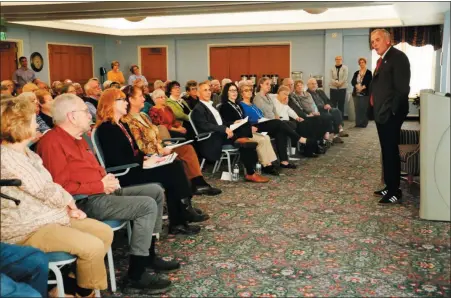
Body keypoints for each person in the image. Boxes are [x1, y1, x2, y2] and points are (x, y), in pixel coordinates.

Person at [36, 93, 177, 291]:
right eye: (85, 112)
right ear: (71, 116)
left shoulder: (79, 138)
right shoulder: (52, 143)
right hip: (84, 201)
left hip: (101, 191)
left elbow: (94, 168)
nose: (89, 115)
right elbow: (60, 188)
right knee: (145, 205)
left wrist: (106, 178)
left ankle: (148, 255)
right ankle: (136, 275)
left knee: (154, 191)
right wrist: (100, 186)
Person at [1, 97, 114, 297]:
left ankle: (74, 284)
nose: (38, 123)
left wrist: (70, 206)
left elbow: (51, 184)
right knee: (93, 246)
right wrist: (69, 203)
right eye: (33, 119)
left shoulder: (27, 154)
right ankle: (85, 292)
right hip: (26, 230)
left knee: (104, 232)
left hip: (49, 218)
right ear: (20, 125)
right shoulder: (7, 158)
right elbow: (43, 190)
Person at [95, 88, 208, 233]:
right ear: (111, 104)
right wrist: (143, 161)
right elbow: (117, 160)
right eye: (121, 100)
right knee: (172, 170)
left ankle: (181, 215)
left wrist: (147, 158)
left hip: (135, 166)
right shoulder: (107, 128)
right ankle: (180, 218)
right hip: (126, 173)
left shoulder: (120, 125)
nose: (125, 103)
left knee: (174, 164)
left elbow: (134, 150)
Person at [122, 85, 222, 196]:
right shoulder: (128, 120)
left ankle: (198, 182)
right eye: (140, 96)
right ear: (131, 100)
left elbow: (157, 135)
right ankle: (189, 189)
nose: (144, 99)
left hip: (159, 148)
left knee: (187, 148)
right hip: (151, 154)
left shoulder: (143, 115)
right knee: (177, 159)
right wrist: (161, 150)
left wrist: (164, 145)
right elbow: (140, 145)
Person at [191, 82, 269, 182]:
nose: (208, 92)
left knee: (244, 136)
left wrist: (231, 123)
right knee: (245, 138)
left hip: (222, 134)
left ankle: (251, 172)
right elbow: (205, 125)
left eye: (209, 90)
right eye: (205, 90)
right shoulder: (198, 109)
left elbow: (220, 122)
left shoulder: (211, 106)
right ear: (198, 93)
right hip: (213, 139)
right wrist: (224, 129)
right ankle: (251, 173)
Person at [369, 29, 411, 204]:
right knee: (386, 150)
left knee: (391, 150)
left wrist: (391, 111)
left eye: (377, 40)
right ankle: (389, 184)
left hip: (390, 114)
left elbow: (402, 89)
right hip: (382, 114)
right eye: (372, 41)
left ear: (387, 40)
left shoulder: (398, 57)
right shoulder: (383, 59)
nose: (374, 44)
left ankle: (395, 191)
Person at [219, 83, 279, 175]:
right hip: (236, 133)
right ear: (226, 93)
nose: (234, 93)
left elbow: (244, 120)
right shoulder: (225, 106)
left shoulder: (237, 105)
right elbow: (225, 123)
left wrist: (249, 127)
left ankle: (268, 163)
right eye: (231, 91)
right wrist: (235, 123)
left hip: (244, 130)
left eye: (235, 90)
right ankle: (267, 165)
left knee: (266, 137)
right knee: (262, 139)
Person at [351, 57, 373, 128]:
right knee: (357, 109)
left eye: (363, 62)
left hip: (365, 93)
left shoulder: (369, 72)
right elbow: (353, 81)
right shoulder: (356, 72)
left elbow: (369, 82)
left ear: (365, 63)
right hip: (356, 93)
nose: (361, 64)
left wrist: (362, 88)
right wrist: (357, 86)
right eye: (360, 63)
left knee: (364, 108)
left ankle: (364, 123)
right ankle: (358, 123)